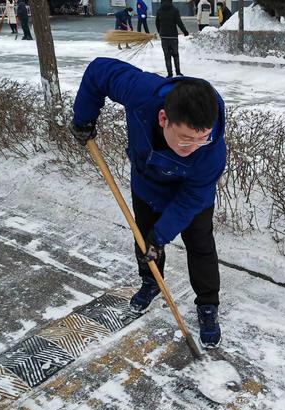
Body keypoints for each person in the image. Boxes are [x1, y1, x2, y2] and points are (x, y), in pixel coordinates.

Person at [70, 58, 226, 349]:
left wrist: (162, 236)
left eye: (201, 139)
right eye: (185, 139)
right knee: (143, 239)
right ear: (163, 118)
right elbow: (98, 72)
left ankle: (207, 305)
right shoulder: (141, 91)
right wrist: (84, 117)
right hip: (147, 182)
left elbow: (191, 198)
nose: (192, 148)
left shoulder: (211, 152)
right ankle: (151, 281)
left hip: (191, 194)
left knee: (200, 244)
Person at [156, 0, 189, 78]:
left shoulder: (159, 11)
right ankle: (178, 72)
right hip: (173, 37)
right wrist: (185, 31)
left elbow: (157, 23)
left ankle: (169, 74)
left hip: (164, 37)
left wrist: (160, 32)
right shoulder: (174, 10)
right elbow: (179, 22)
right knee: (175, 55)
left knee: (167, 56)